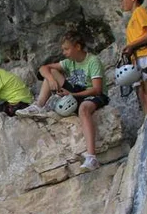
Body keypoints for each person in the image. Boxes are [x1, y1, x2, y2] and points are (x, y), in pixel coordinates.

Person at [19, 31, 109, 171]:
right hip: (75, 92)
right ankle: (38, 106)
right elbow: (43, 68)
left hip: (92, 95)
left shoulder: (92, 61)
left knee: (84, 110)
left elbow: (97, 89)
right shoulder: (69, 62)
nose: (64, 52)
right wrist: (49, 78)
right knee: (51, 73)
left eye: (67, 49)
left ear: (77, 47)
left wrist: (73, 94)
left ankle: (91, 157)